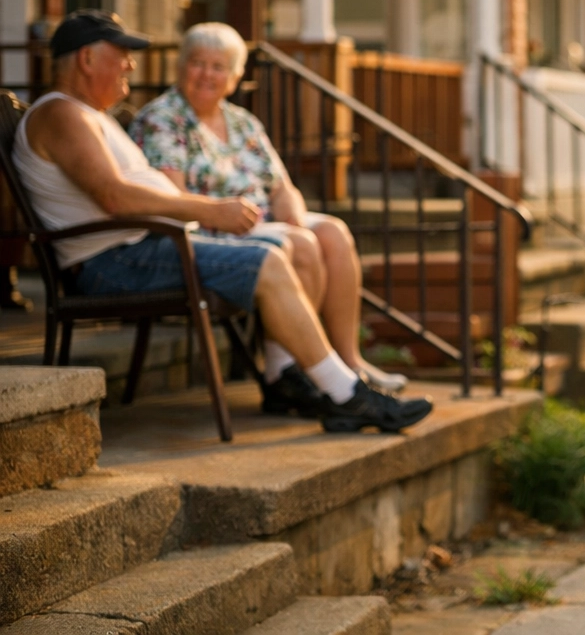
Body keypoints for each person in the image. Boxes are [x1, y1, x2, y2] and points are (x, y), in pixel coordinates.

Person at [12, 10, 431, 433]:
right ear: (86, 59)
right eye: (121, 54)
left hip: (143, 249)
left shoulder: (89, 115)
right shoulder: (61, 113)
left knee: (277, 250)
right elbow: (114, 196)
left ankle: (313, 383)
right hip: (112, 262)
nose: (131, 65)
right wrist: (211, 210)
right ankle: (346, 396)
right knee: (267, 261)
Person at [130, 22, 406, 397]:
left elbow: (281, 185)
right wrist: (272, 222)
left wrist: (290, 204)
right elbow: (175, 198)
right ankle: (283, 370)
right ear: (180, 66)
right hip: (207, 227)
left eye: (218, 66)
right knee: (301, 242)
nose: (207, 74)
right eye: (197, 63)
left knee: (334, 232)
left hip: (258, 219)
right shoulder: (162, 119)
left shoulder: (242, 122)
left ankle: (348, 361)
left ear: (235, 76)